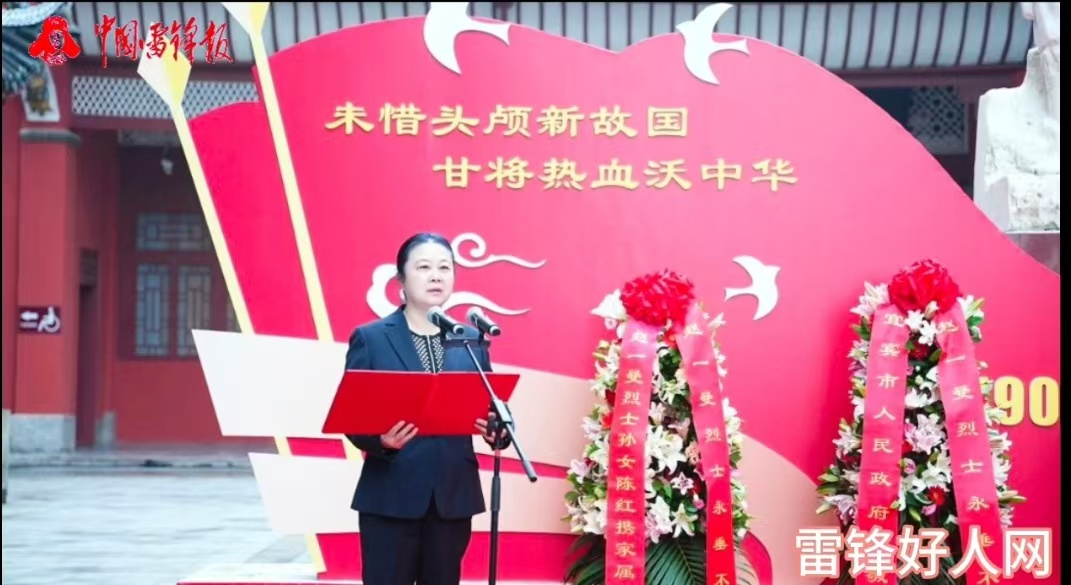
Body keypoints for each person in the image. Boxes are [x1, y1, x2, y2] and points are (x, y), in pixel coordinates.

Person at [344, 232, 509, 585]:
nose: (436, 276)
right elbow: (351, 414)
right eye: (423, 267)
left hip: (452, 495)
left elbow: (493, 407)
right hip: (391, 494)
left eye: (444, 268)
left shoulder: (471, 342)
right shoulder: (371, 338)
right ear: (401, 279)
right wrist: (380, 441)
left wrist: (497, 430)